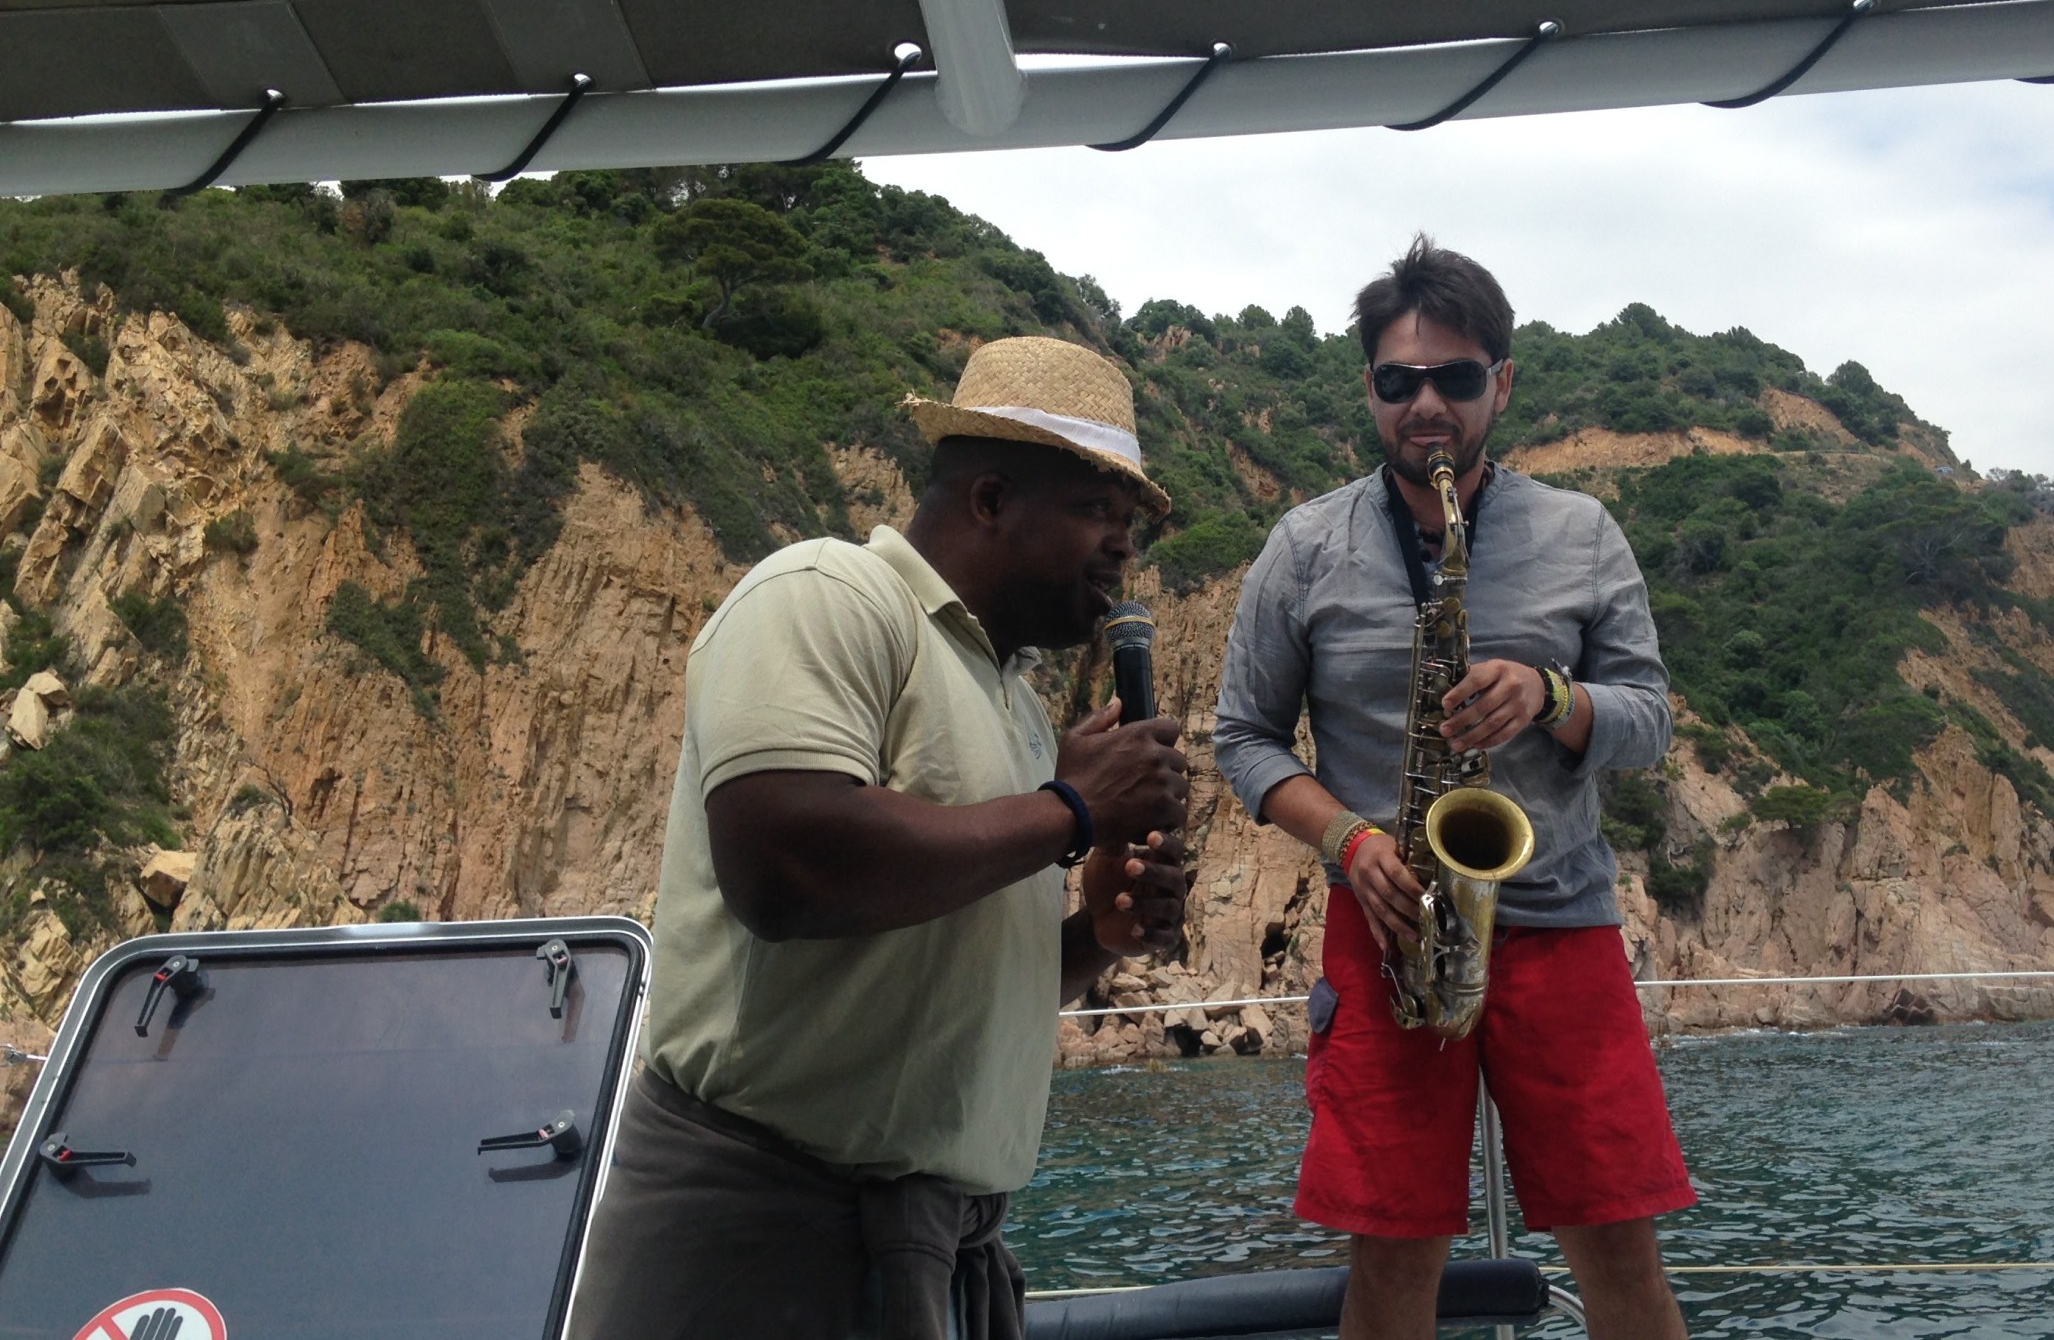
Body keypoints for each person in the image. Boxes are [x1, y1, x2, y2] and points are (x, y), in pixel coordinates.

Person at [570, 336, 1193, 1340]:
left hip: (938, 1255)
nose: (1121, 549)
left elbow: (963, 981)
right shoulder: (827, 595)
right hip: (759, 1237)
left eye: (1129, 526)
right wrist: (1072, 810)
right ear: (989, 499)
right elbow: (786, 865)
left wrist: (1094, 940)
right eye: (1094, 513)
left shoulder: (1017, 706)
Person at [1213, 237, 1694, 1339]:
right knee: (1389, 1262)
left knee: (1619, 1249)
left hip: (1561, 922)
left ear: (1502, 383)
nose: (1426, 404)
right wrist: (1345, 840)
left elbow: (1650, 721)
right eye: (1399, 381)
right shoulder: (1304, 546)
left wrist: (1550, 695)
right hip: (1388, 925)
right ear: (1370, 389)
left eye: (1456, 378)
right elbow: (1243, 740)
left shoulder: (1582, 531)